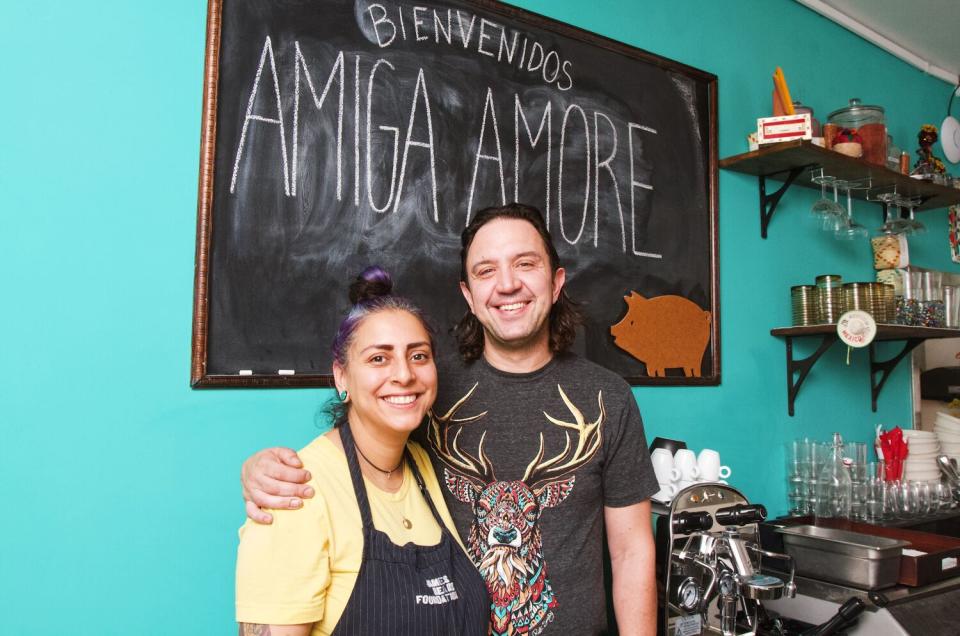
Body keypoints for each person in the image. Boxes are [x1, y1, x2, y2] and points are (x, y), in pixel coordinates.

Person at [242, 204, 660, 634]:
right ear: (468, 295)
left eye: (525, 264)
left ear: (555, 283)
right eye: (486, 271)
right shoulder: (424, 390)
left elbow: (631, 551)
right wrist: (264, 470)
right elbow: (353, 452)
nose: (507, 284)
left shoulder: (610, 397)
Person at [235, 267, 489, 635]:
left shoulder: (423, 464)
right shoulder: (293, 493)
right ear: (341, 376)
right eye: (378, 358)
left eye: (418, 356)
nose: (404, 374)